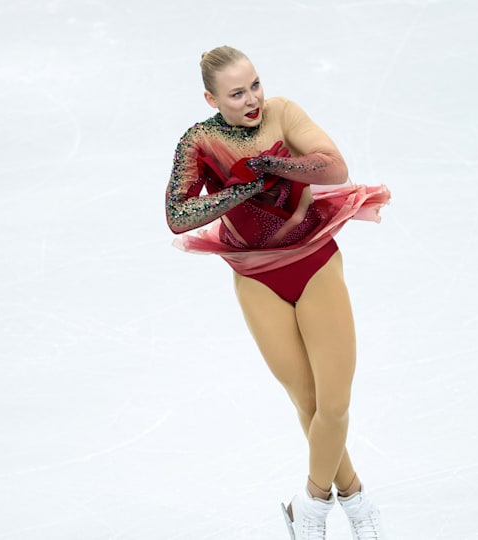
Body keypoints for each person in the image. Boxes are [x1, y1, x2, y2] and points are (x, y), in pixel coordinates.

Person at [165, 45, 390, 540]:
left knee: (334, 404)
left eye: (255, 85)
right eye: (236, 93)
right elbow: (178, 215)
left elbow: (334, 168)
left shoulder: (282, 113)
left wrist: (271, 164)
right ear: (211, 99)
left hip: (313, 262)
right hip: (256, 278)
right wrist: (241, 188)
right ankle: (355, 500)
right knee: (307, 401)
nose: (252, 99)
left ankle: (309, 506)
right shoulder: (199, 141)